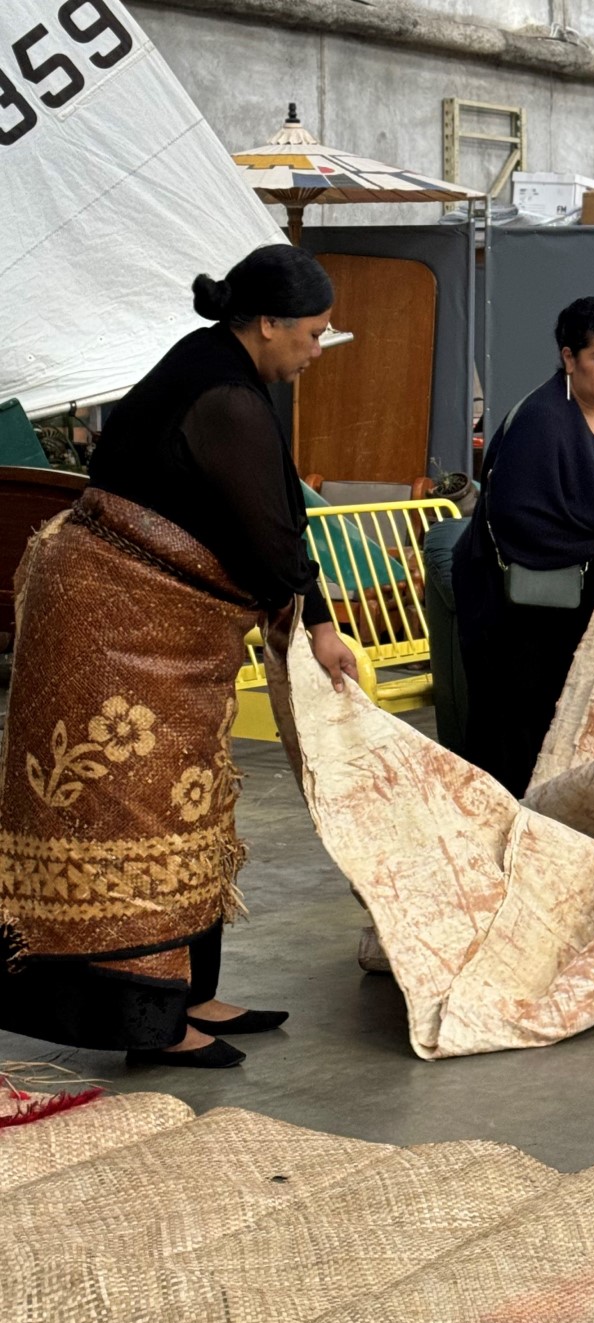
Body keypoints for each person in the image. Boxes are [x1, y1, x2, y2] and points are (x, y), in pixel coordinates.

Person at [0, 244, 358, 1068]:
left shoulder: (228, 374)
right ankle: (151, 1025)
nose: (313, 353)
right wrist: (318, 623)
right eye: (310, 335)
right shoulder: (224, 394)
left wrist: (306, 613)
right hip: (112, 625)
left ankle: (192, 992)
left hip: (153, 625)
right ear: (266, 324)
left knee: (189, 798)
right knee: (133, 804)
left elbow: (273, 509)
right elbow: (271, 532)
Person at [449, 296, 594, 796]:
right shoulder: (543, 419)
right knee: (516, 728)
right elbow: (517, 514)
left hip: (573, 603)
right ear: (569, 358)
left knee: (563, 724)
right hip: (516, 612)